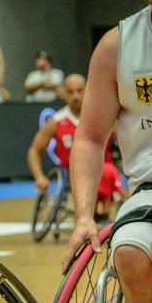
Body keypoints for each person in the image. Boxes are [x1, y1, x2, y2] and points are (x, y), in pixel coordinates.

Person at [63, 0, 152, 303]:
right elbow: (89, 138)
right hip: (148, 190)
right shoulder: (118, 46)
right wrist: (83, 216)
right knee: (132, 249)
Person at [26, 74, 119, 220]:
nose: (75, 96)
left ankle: (104, 214)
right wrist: (39, 177)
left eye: (79, 90)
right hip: (72, 173)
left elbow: (124, 140)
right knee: (86, 174)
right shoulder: (56, 122)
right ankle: (91, 214)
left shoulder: (101, 116)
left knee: (106, 170)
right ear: (63, 93)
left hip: (102, 168)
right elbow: (34, 151)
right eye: (70, 92)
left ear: (88, 89)